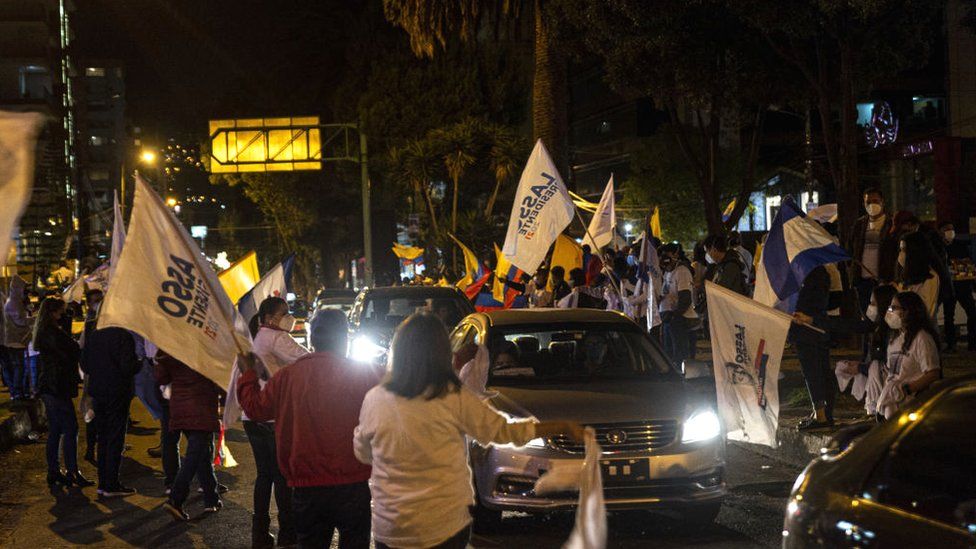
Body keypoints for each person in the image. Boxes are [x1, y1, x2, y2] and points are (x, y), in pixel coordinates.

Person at [353, 314, 584, 549]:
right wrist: (557, 426)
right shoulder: (454, 396)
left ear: (398, 352)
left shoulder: (375, 399)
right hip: (443, 525)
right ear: (442, 352)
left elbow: (363, 453)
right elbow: (503, 432)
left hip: (392, 527)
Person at [238, 309, 381, 549]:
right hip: (353, 484)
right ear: (345, 338)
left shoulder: (287, 377)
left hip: (307, 489)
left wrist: (247, 375)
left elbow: (255, 409)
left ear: (312, 339)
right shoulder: (365, 374)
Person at [242, 297, 307, 547]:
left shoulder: (259, 337)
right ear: (269, 318)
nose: (289, 317)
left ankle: (259, 533)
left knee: (264, 476)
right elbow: (306, 358)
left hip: (253, 416)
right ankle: (287, 533)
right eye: (285, 313)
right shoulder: (275, 337)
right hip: (270, 417)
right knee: (281, 477)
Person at [33, 297, 93, 488]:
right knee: (70, 428)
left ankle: (54, 470)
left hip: (50, 386)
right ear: (53, 312)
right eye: (62, 311)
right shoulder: (51, 333)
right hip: (56, 386)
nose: (64, 314)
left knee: (56, 429)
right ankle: (72, 471)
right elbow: (72, 349)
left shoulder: (45, 331)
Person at [158, 352, 224, 520]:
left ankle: (211, 498)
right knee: (195, 455)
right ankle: (176, 499)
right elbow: (218, 381)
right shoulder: (206, 347)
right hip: (202, 407)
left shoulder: (173, 345)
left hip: (180, 406)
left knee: (202, 453)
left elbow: (161, 377)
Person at [81, 326, 141, 497]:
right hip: (117, 392)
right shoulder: (124, 336)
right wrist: (140, 362)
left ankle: (103, 483)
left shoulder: (94, 335)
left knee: (103, 437)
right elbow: (127, 366)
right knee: (115, 438)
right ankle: (111, 484)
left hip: (98, 391)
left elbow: (84, 364)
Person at [831, 285, 898, 416]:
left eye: (873, 303)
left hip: (890, 382)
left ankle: (876, 411)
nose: (870, 307)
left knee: (873, 368)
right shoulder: (876, 328)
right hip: (880, 377)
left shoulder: (891, 332)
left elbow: (885, 364)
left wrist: (860, 368)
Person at [875, 291, 942, 419]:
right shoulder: (894, 339)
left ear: (908, 311)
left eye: (894, 308)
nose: (890, 311)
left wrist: (906, 390)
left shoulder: (922, 338)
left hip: (912, 405)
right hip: (892, 404)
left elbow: (933, 373)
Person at [790, 265, 836, 430]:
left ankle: (821, 416)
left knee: (813, 372)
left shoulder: (806, 273)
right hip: (819, 325)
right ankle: (825, 413)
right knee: (822, 370)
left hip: (806, 326)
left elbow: (803, 300)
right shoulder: (822, 272)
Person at [847, 187, 898, 312]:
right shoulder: (859, 224)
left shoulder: (891, 224)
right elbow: (850, 248)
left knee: (886, 315)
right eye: (868, 202)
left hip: (884, 280)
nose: (872, 205)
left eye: (875, 201)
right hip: (863, 281)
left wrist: (893, 277)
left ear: (883, 202)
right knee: (866, 315)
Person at [939, 222, 976, 352]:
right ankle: (950, 343)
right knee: (948, 315)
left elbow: (968, 264)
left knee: (972, 312)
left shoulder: (961, 245)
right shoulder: (938, 248)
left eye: (952, 229)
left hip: (962, 285)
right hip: (948, 287)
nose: (950, 231)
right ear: (941, 231)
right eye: (947, 229)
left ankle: (972, 342)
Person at [659, 243, 697, 368]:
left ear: (675, 255)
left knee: (679, 356)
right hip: (669, 319)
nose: (663, 258)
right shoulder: (667, 272)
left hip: (680, 320)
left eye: (666, 254)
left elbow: (685, 298)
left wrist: (674, 316)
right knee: (669, 355)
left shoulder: (682, 271)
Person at [896, 232, 940, 317]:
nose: (901, 254)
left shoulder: (930, 277)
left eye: (905, 250)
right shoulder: (906, 274)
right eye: (900, 250)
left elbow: (924, 309)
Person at [3, 277, 32, 401]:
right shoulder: (13, 303)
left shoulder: (17, 302)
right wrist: (35, 319)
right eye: (25, 289)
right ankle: (17, 393)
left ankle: (20, 392)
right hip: (14, 341)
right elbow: (20, 321)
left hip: (18, 340)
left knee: (20, 367)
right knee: (18, 368)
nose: (26, 292)